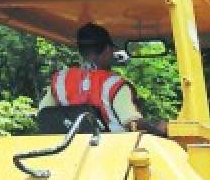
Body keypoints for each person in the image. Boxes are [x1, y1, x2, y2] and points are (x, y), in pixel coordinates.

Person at [38, 23, 168, 136]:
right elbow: (132, 123)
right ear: (107, 50)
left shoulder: (60, 81)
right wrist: (159, 127)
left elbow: (44, 115)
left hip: (68, 152)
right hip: (112, 153)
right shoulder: (114, 85)